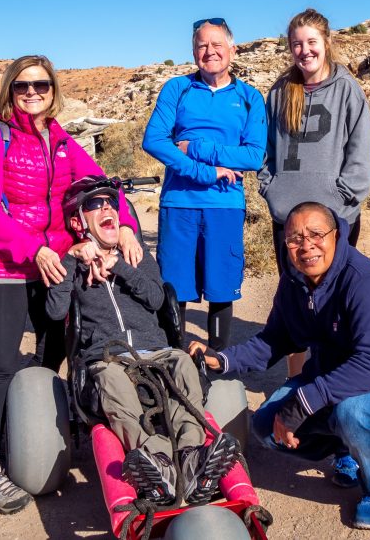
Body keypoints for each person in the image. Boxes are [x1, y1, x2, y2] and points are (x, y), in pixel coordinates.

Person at [0, 55, 143, 513]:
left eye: (41, 85)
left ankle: (37, 437)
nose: (31, 92)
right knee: (1, 363)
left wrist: (122, 223)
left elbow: (101, 186)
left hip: (53, 261)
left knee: (52, 355)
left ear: (52, 90)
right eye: (22, 85)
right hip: (2, 263)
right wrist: (33, 249)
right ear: (9, 89)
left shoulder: (60, 139)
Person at [190, 202, 370, 531]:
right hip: (335, 380)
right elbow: (275, 340)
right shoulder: (294, 282)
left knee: (353, 413)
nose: (306, 245)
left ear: (337, 236)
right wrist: (222, 360)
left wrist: (302, 403)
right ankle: (345, 449)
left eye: (316, 234)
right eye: (294, 238)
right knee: (265, 425)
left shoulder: (363, 280)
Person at [46, 175, 241, 507]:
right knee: (111, 378)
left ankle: (192, 456)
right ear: (79, 222)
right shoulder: (73, 266)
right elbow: (55, 311)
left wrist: (120, 266)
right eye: (96, 205)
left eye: (111, 203)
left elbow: (155, 298)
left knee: (181, 363)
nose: (107, 207)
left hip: (156, 350)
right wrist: (70, 260)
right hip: (107, 356)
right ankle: (159, 461)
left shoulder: (135, 255)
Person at [257, 8, 370, 378]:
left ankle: (333, 379)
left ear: (326, 42)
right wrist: (272, 191)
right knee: (295, 302)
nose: (304, 50)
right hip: (288, 217)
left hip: (335, 220)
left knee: (336, 301)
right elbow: (265, 153)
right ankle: (296, 382)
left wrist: (341, 202)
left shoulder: (347, 90)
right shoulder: (280, 92)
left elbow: (362, 154)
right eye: (297, 44)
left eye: (311, 42)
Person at [142, 18, 266, 351]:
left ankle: (217, 365)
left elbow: (253, 156)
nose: (209, 52)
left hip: (224, 206)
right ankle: (176, 364)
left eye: (216, 45)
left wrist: (196, 148)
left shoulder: (250, 97)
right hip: (179, 203)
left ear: (232, 49)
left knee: (221, 288)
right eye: (201, 46)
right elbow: (154, 140)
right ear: (194, 51)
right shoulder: (177, 88)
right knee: (176, 288)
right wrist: (206, 173)